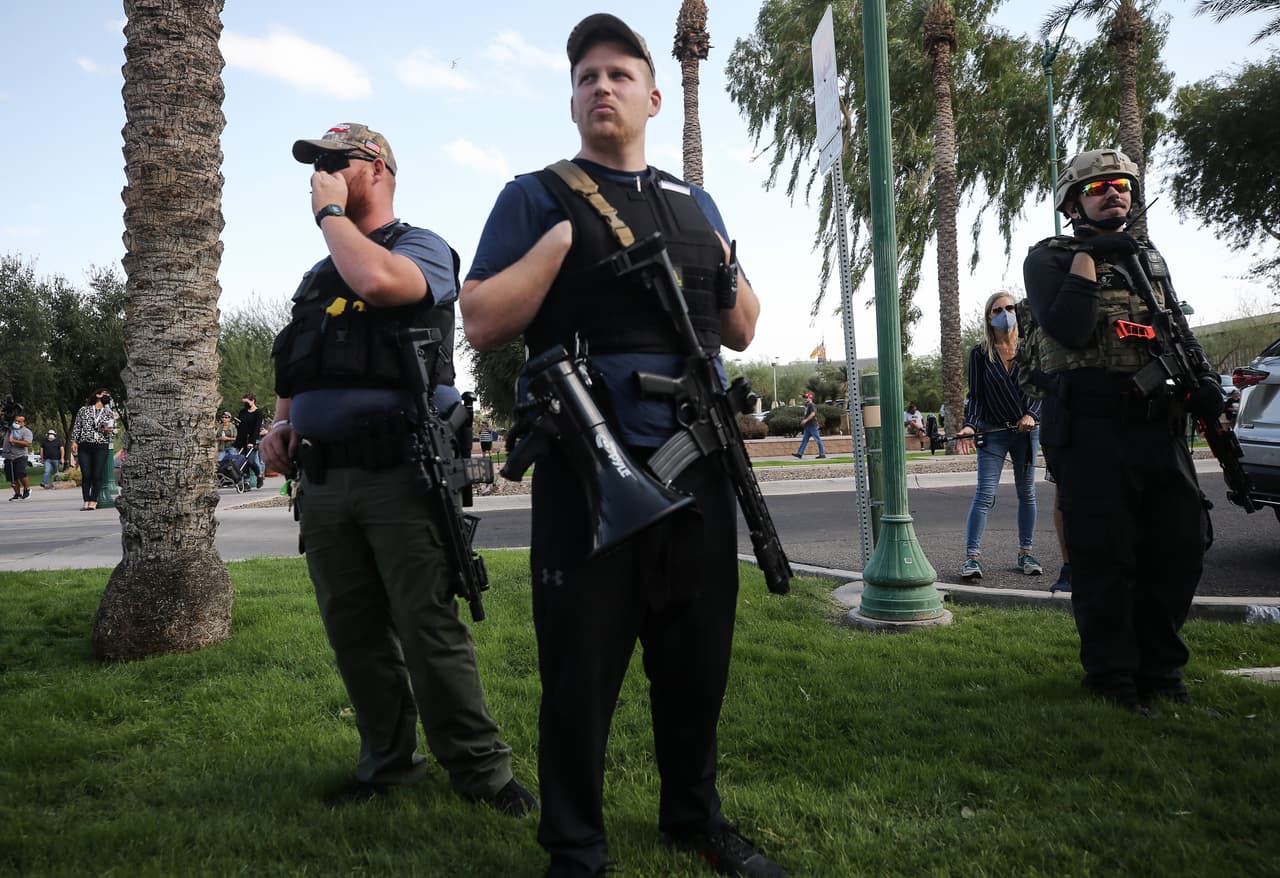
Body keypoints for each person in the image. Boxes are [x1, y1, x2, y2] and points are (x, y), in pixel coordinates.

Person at [461, 15, 782, 878]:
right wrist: (561, 245)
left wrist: (728, 264)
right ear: (572, 99)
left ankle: (693, 817)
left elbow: (743, 328)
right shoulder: (538, 194)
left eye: (617, 74)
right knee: (582, 661)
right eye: (586, 76)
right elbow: (484, 318)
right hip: (587, 462)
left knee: (697, 651)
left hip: (697, 457)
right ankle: (575, 847)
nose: (601, 86)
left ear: (652, 94)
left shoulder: (692, 201)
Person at [258, 122, 535, 815]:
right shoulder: (320, 273)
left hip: (399, 472)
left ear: (376, 168)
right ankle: (386, 765)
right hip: (322, 482)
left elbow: (384, 285)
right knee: (353, 630)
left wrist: (327, 216)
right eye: (314, 164)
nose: (319, 172)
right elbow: (299, 360)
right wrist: (281, 422)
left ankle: (483, 772)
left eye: (333, 162)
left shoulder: (418, 247)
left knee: (425, 625)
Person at [1022, 148, 1220, 712]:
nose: (1115, 192)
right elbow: (1071, 327)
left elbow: (1175, 327)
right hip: (1091, 428)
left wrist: (1206, 383)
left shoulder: (1149, 260)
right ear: (1073, 203)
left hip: (1159, 427)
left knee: (1178, 546)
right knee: (1104, 555)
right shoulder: (1050, 258)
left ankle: (1162, 671)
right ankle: (1113, 678)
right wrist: (1088, 258)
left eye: (1123, 185)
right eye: (1100, 186)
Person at [955, 291, 1043, 579]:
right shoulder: (980, 354)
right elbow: (976, 397)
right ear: (988, 317)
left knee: (1027, 493)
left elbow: (1040, 388)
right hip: (993, 433)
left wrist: (1031, 414)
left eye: (1009, 308)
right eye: (997, 310)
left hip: (1026, 432)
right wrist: (970, 425)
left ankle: (1026, 553)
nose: (1004, 313)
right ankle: (972, 558)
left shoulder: (1030, 347)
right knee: (984, 494)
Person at [69, 390, 115, 511]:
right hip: (85, 445)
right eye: (104, 393)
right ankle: (86, 500)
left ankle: (93, 501)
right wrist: (74, 441)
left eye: (108, 394)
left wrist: (107, 430)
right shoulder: (83, 410)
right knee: (86, 474)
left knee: (97, 474)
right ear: (97, 395)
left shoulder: (109, 413)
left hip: (101, 445)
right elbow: (77, 426)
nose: (107, 396)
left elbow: (113, 431)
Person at [235, 393, 265, 489]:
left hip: (252, 439)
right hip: (242, 439)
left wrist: (252, 441)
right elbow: (240, 424)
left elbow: (256, 428)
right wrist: (237, 424)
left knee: (251, 461)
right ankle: (246, 482)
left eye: (246, 402)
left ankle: (259, 475)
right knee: (243, 461)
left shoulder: (258, 413)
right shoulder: (242, 412)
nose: (245, 404)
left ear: (252, 401)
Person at [4, 414, 33, 501]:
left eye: (19, 421)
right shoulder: (10, 430)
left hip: (20, 456)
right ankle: (17, 494)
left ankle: (27, 489)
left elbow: (27, 443)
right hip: (9, 456)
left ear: (24, 423)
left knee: (21, 473)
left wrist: (14, 441)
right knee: (12, 477)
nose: (17, 423)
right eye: (15, 421)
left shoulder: (26, 431)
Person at [791, 391, 827, 460]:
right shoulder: (807, 406)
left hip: (813, 426)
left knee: (818, 440)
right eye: (805, 398)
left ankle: (822, 454)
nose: (805, 399)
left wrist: (805, 420)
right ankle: (799, 454)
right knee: (804, 440)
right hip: (807, 427)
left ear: (810, 398)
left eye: (807, 397)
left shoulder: (812, 405)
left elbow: (813, 414)